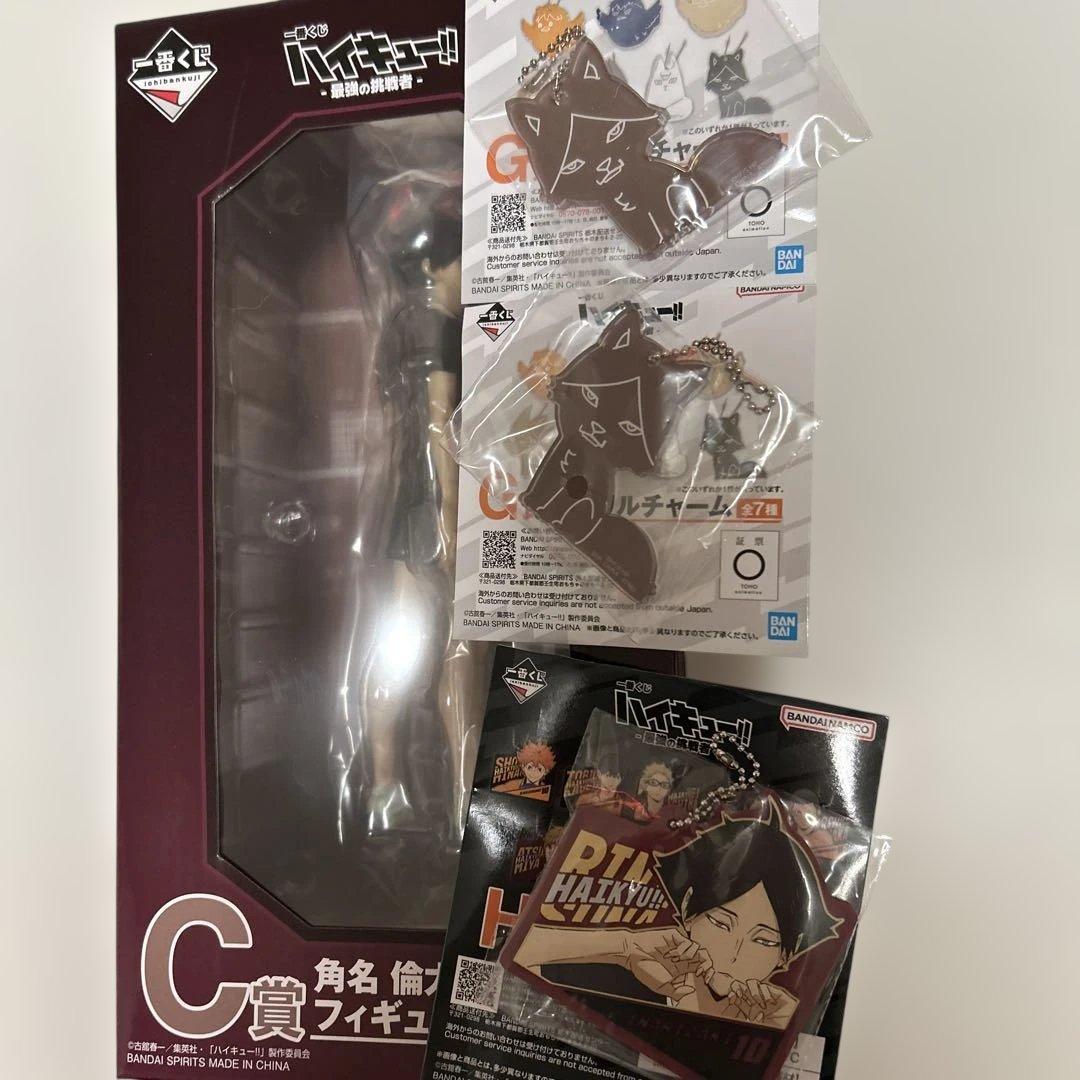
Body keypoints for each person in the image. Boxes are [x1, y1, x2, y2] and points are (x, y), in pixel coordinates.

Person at [512, 803, 841, 1029]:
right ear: (686, 912)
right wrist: (622, 944)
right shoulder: (616, 982)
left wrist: (785, 1030)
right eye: (720, 923)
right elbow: (515, 956)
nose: (733, 953)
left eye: (764, 941)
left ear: (786, 956)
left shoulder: (774, 1017)